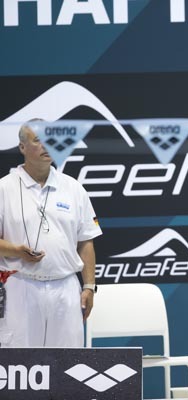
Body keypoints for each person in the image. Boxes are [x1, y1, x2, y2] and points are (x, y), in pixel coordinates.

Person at [0, 121, 102, 347]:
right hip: (20, 286)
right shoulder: (4, 188)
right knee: (20, 359)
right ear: (22, 147)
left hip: (66, 288)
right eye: (38, 140)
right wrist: (16, 250)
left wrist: (89, 286)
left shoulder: (74, 188)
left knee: (69, 359)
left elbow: (86, 240)